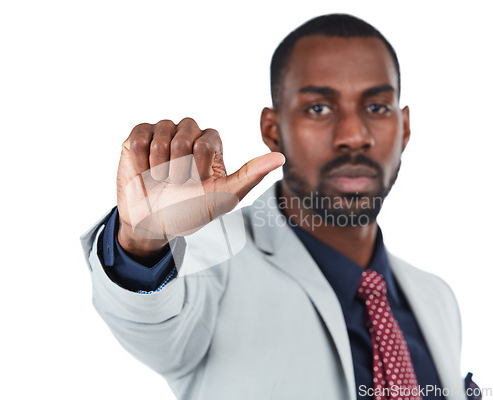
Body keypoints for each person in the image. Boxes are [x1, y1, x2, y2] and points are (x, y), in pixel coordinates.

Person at [81, 14, 478, 400]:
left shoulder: (436, 298)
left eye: (376, 108)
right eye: (319, 108)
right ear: (273, 129)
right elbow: (147, 321)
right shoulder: (210, 261)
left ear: (404, 127)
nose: (354, 136)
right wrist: (142, 239)